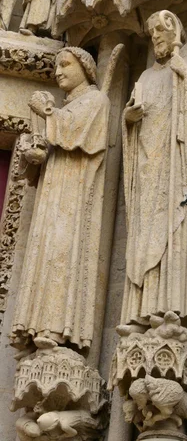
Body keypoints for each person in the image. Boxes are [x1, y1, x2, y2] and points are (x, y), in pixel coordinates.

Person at [11, 47, 110, 350]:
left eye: (65, 65)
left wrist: (47, 113)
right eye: (56, 67)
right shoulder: (65, 108)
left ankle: (57, 329)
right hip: (52, 192)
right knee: (45, 252)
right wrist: (32, 153)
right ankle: (35, 326)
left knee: (62, 253)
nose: (58, 72)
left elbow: (72, 134)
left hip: (74, 193)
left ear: (86, 68)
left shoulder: (96, 100)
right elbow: (45, 150)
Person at [120, 10, 187, 328]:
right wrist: (129, 120)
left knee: (179, 225)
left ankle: (175, 304)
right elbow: (133, 121)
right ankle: (142, 309)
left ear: (177, 30)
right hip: (150, 167)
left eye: (162, 30)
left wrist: (183, 73)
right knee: (146, 232)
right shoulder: (145, 77)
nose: (156, 37)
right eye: (152, 33)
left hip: (181, 164)